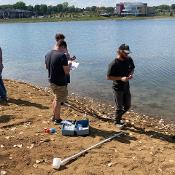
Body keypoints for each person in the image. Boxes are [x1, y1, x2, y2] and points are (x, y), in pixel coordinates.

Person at [107, 44, 135, 127]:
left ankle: (117, 117)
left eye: (128, 53)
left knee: (127, 106)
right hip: (117, 88)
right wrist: (121, 78)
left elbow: (132, 68)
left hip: (126, 86)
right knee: (119, 107)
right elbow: (108, 77)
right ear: (120, 51)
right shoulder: (113, 63)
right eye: (125, 53)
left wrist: (130, 74)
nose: (127, 54)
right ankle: (117, 122)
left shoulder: (129, 59)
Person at [45, 40, 72, 124]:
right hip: (60, 82)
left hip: (51, 80)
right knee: (58, 100)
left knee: (56, 98)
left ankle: (54, 116)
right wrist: (70, 64)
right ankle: (57, 119)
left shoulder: (48, 54)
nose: (66, 52)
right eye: (65, 49)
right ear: (63, 47)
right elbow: (66, 71)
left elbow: (47, 67)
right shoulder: (62, 56)